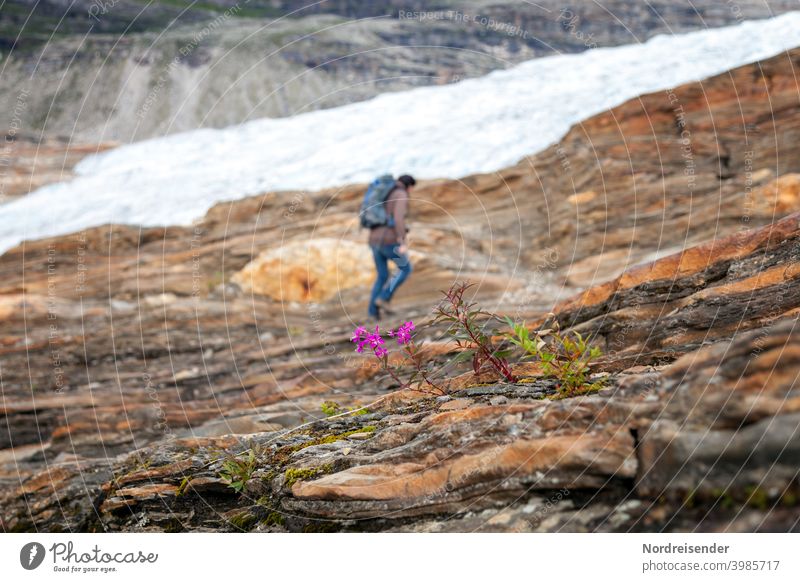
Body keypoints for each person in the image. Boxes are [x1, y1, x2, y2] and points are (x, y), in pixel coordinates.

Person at [367, 174, 416, 320]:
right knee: (405, 268)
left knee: (382, 276)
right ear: (409, 186)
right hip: (388, 240)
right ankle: (383, 297)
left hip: (374, 239)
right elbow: (398, 218)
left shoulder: (384, 192)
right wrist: (402, 241)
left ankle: (372, 314)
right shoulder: (400, 193)